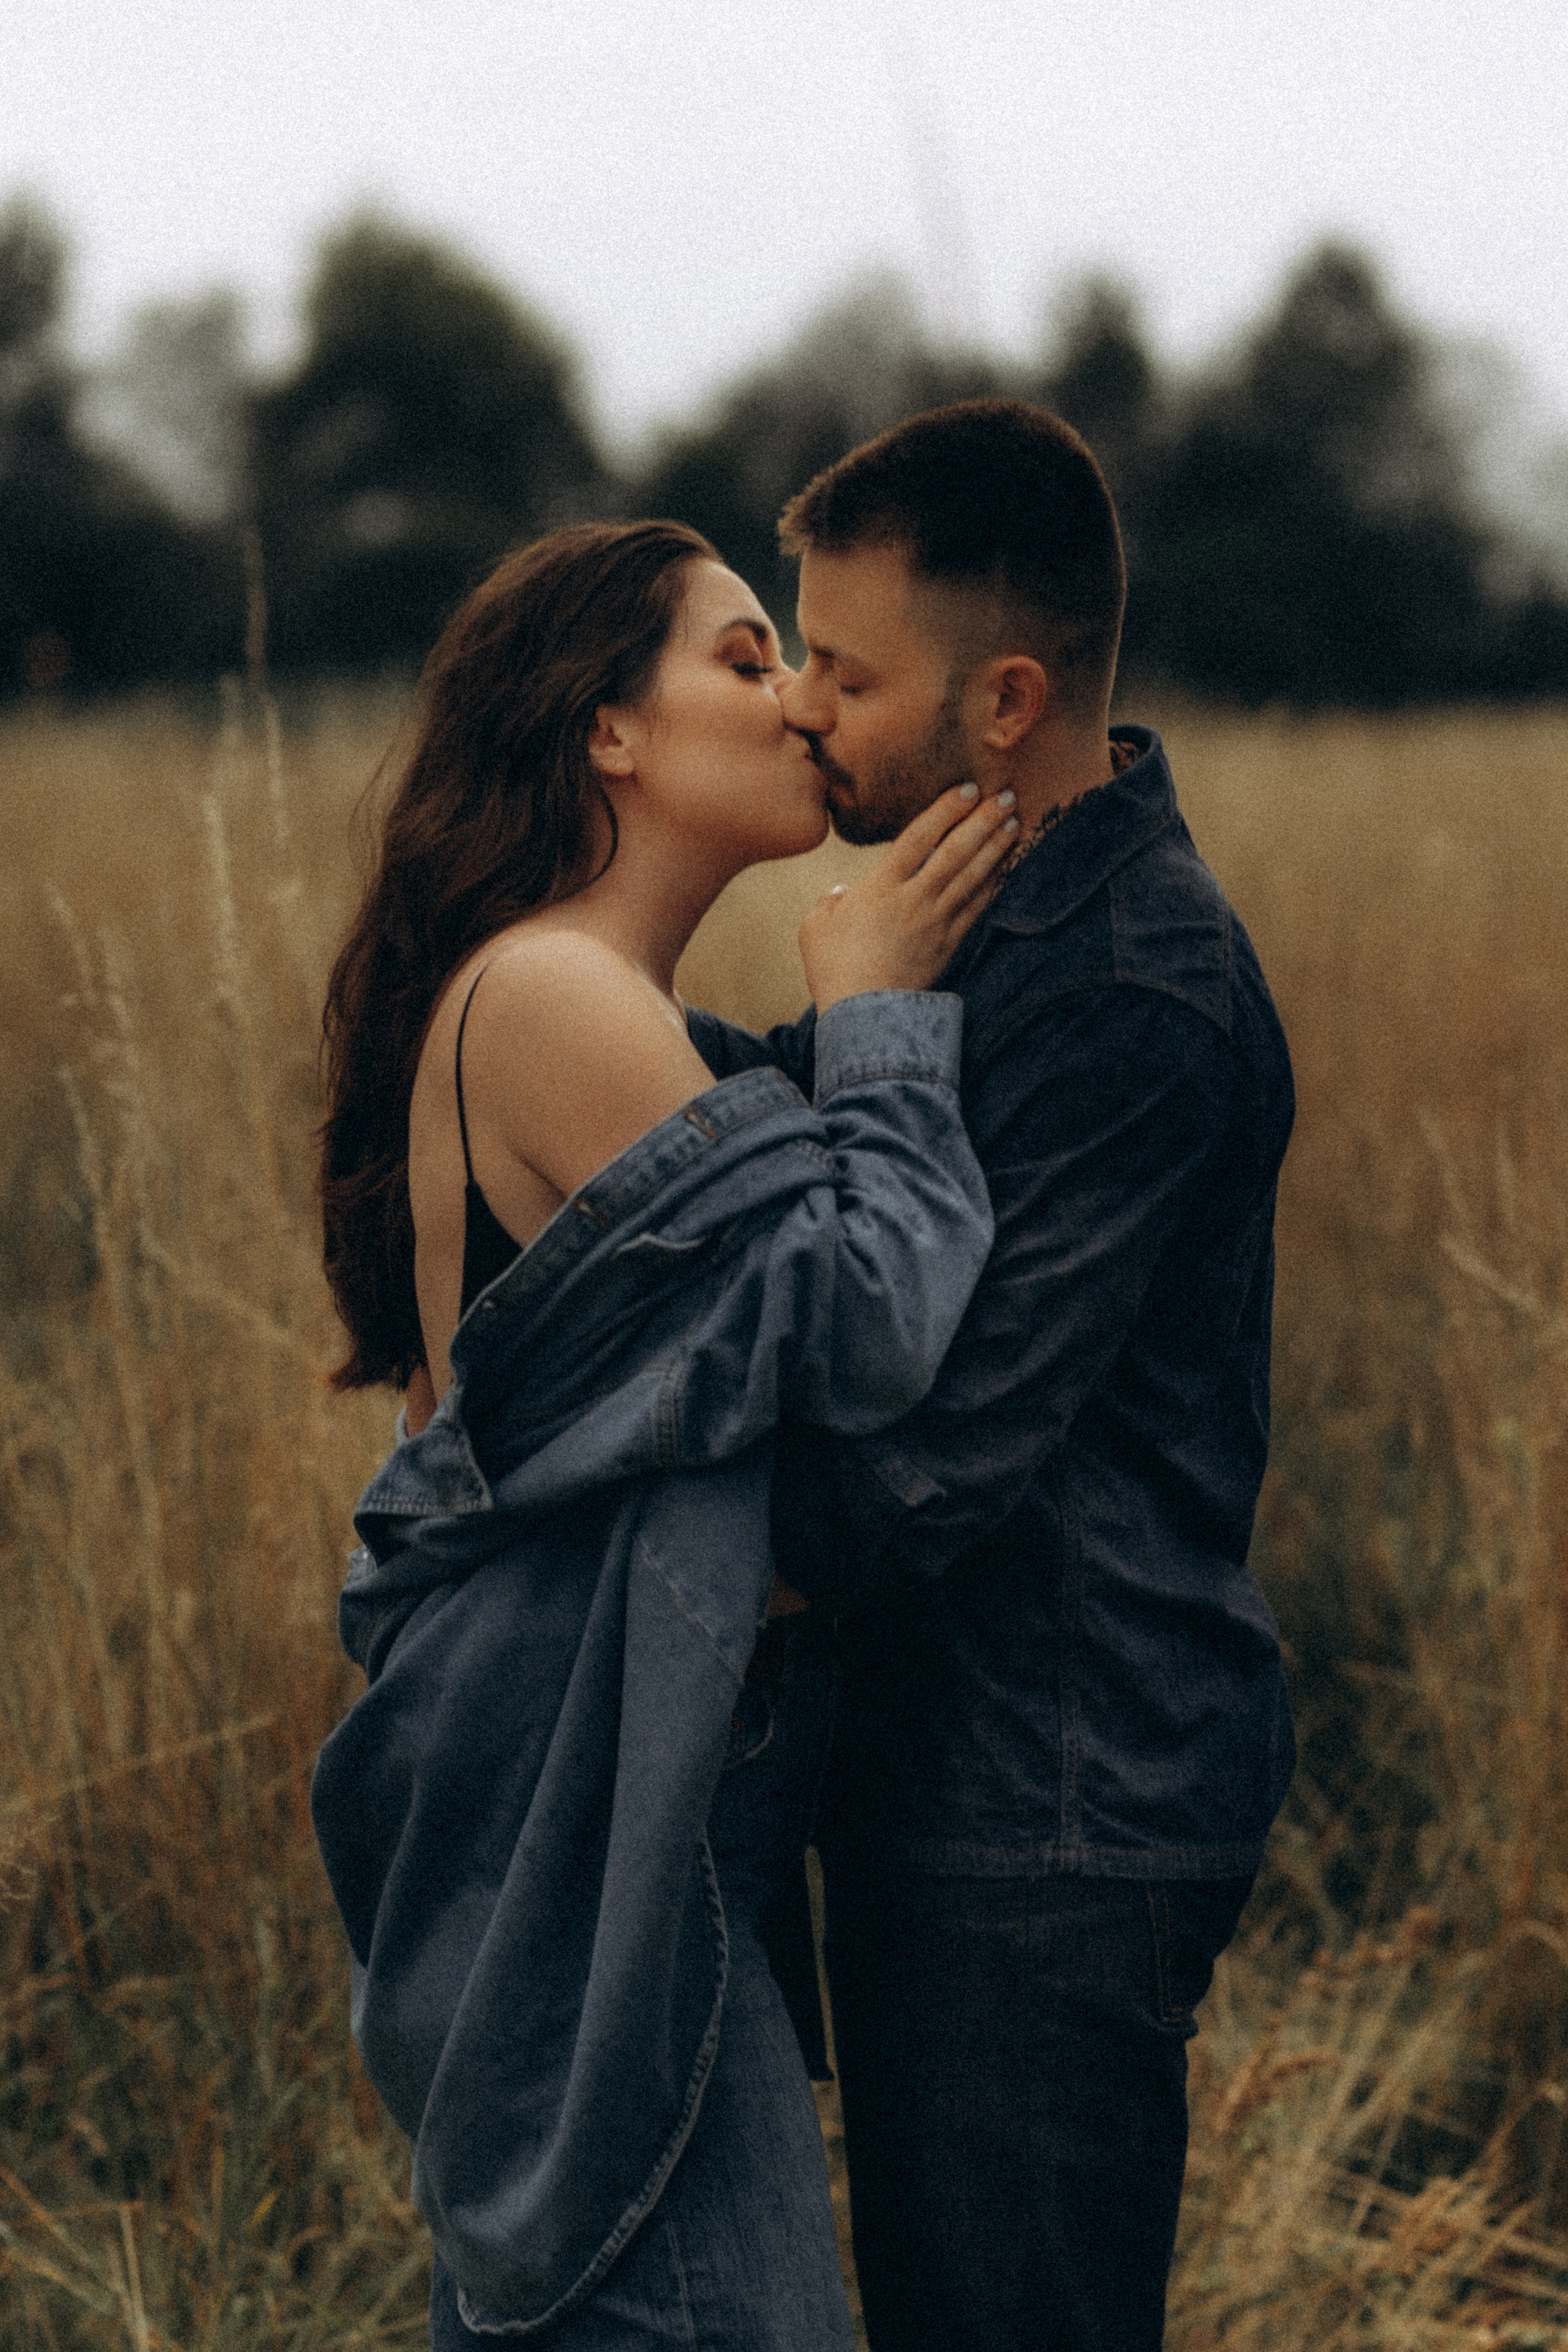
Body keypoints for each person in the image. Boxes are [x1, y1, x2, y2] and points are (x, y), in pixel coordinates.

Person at [308, 518, 1017, 2350]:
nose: (799, 700)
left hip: (625, 1834)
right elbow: (863, 1321)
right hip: (602, 1847)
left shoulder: (619, 1014)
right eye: (744, 655)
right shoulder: (554, 992)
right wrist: (884, 1026)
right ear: (607, 731)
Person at [686, 399, 1298, 2352]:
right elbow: (778, 1129)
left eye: (848, 672)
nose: (807, 709)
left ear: (1008, 698)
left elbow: (931, 1461)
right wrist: (540, 1011)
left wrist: (621, 1562)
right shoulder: (988, 922)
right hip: (971, 1785)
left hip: (1055, 1805)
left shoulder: (1128, 981)